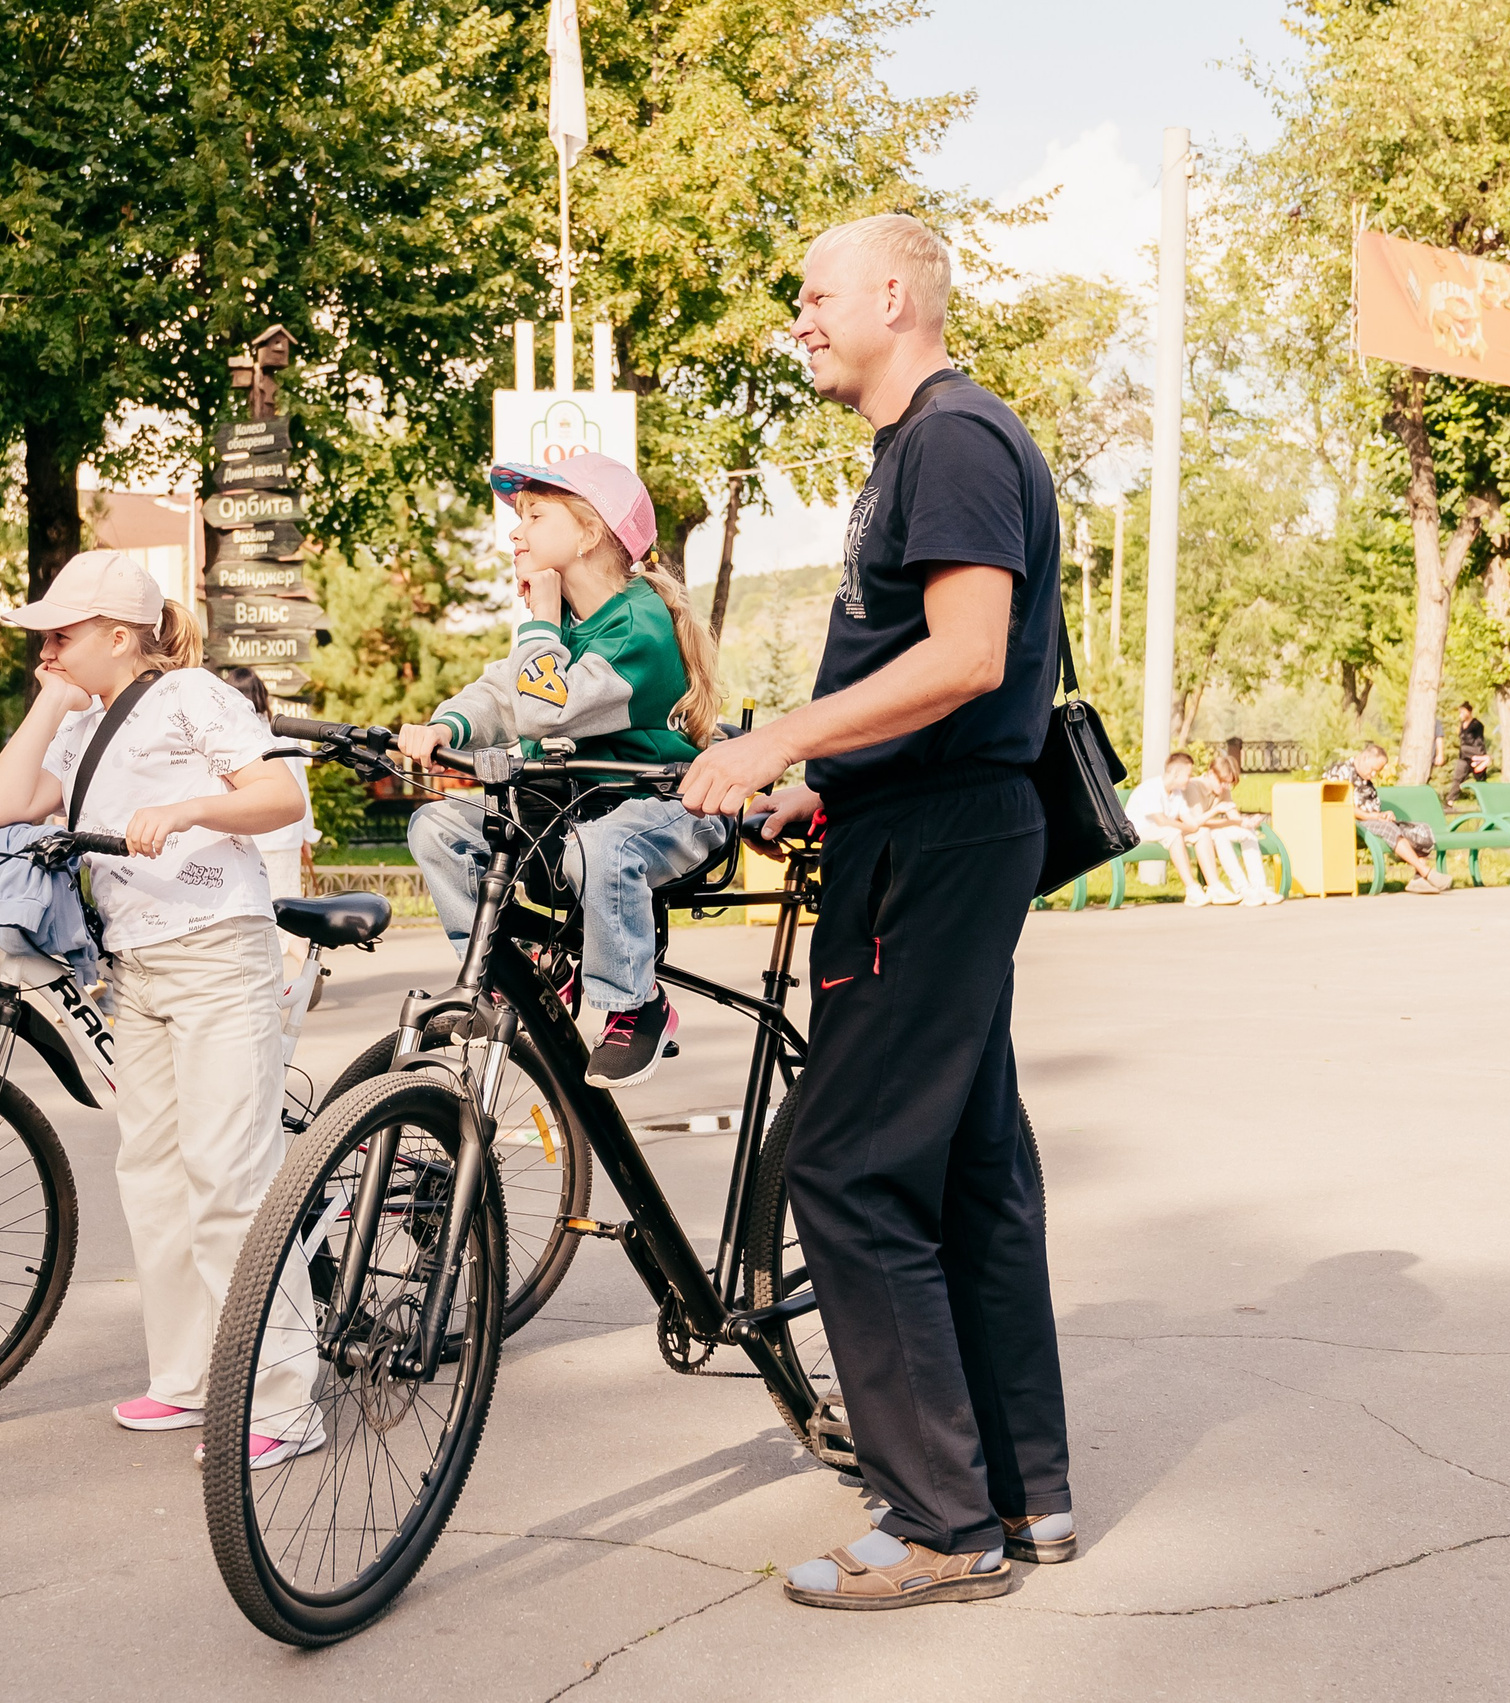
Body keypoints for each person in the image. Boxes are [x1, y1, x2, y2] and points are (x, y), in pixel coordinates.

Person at [677, 213, 1070, 1610]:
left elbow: (967, 658)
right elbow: (947, 670)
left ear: (893, 294)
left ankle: (937, 1522)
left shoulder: (953, 439)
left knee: (842, 1166)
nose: (799, 316)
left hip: (938, 846)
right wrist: (829, 785)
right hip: (927, 827)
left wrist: (778, 739)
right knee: (966, 1170)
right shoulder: (924, 447)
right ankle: (1021, 1488)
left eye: (816, 292)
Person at [0, 550, 322, 1465]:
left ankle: (284, 1401)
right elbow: (3, 802)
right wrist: (52, 696)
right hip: (137, 967)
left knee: (228, 1181)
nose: (46, 644)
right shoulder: (76, 725)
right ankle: (189, 1380)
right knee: (156, 1179)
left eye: (63, 631)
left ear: (119, 635)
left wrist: (193, 809)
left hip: (218, 952)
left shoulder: (193, 697)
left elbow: (280, 796)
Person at [395, 450, 731, 1089]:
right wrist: (444, 726)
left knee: (600, 848)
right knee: (438, 827)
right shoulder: (568, 627)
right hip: (579, 810)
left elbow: (546, 712)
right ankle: (502, 970)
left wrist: (541, 621)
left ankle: (636, 1002)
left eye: (534, 516)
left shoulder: (639, 623)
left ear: (590, 531)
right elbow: (502, 693)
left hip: (667, 807)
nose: (513, 533)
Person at [217, 665, 321, 984]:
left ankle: (275, 977)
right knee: (286, 905)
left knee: (258, 910)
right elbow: (299, 788)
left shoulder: (230, 735)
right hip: (286, 835)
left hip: (251, 835)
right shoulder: (281, 734)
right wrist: (306, 834)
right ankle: (304, 963)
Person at [1325, 742, 1450, 893]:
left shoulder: (1365, 778)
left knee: (1418, 830)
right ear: (1364, 758)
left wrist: (1384, 814)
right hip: (1352, 823)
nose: (1373, 775)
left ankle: (1418, 879)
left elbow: (1372, 805)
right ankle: (1425, 871)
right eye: (1373, 770)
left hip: (1372, 820)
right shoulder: (1341, 772)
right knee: (1388, 828)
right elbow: (1339, 805)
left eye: (1377, 772)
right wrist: (1371, 816)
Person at [1187, 750, 1281, 905]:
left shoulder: (1223, 788)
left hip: (1212, 828)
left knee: (1247, 833)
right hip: (1196, 832)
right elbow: (1197, 823)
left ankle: (1259, 887)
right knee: (1220, 836)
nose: (1225, 787)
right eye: (1222, 782)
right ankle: (1243, 889)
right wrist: (1221, 814)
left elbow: (1232, 815)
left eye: (1228, 783)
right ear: (1211, 774)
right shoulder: (1194, 787)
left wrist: (1246, 822)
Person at [1124, 752, 1218, 904]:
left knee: (1202, 832)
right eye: (1188, 774)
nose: (1190, 778)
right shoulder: (1151, 788)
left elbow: (1189, 820)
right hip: (1138, 832)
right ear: (1175, 773)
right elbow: (1161, 821)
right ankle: (1192, 889)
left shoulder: (1177, 793)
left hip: (1161, 832)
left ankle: (1215, 887)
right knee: (1173, 833)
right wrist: (1189, 827)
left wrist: (1195, 826)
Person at [1443, 701, 1491, 807]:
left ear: (1469, 712)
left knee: (1480, 779)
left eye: (1462, 712)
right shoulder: (1462, 725)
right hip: (1464, 757)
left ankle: (1485, 802)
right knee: (1458, 778)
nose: (1460, 714)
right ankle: (1450, 800)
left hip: (1476, 755)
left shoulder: (1476, 725)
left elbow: (1478, 741)